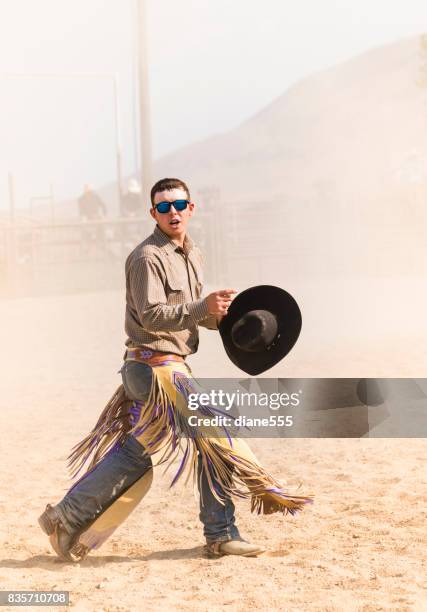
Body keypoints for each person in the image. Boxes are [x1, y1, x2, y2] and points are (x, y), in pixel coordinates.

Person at [39, 177, 311, 562]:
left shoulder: (193, 254)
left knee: (139, 452)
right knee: (216, 434)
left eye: (179, 205)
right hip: (154, 368)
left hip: (165, 366)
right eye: (163, 207)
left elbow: (185, 316)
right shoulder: (146, 258)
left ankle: (66, 518)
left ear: (191, 208)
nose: (173, 212)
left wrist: (222, 318)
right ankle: (220, 534)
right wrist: (202, 308)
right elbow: (151, 317)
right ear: (153, 213)